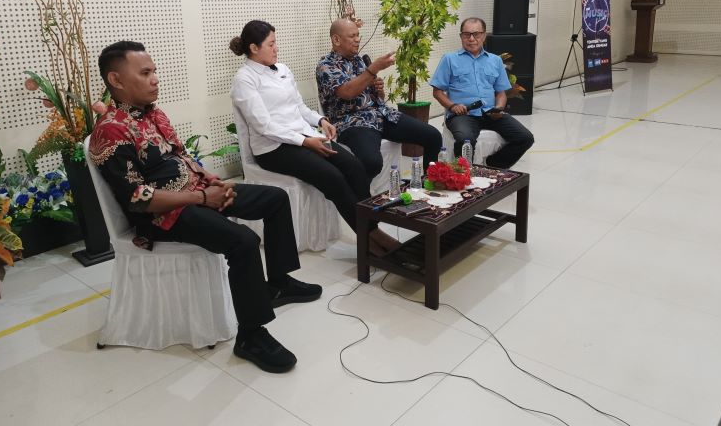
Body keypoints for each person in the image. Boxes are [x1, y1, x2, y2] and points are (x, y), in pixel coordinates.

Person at [90, 40, 322, 374]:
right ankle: (251, 336)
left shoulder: (154, 114)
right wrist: (202, 198)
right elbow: (137, 198)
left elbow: (181, 156)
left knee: (274, 198)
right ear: (116, 80)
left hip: (196, 195)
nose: (155, 78)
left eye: (154, 70)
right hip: (163, 216)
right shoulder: (111, 131)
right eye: (145, 72)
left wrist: (211, 181)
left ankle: (279, 284)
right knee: (242, 241)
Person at [229, 20, 399, 256]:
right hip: (273, 148)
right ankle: (370, 238)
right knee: (332, 177)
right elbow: (264, 126)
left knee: (354, 166)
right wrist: (304, 141)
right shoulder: (244, 80)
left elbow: (298, 107)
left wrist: (320, 121)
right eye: (271, 44)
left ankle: (372, 230)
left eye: (275, 42)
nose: (276, 48)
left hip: (303, 136)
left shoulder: (282, 69)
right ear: (254, 48)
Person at [316, 18, 442, 181]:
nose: (357, 40)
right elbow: (347, 92)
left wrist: (379, 91)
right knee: (371, 162)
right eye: (352, 36)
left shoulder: (359, 60)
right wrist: (373, 69)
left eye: (358, 35)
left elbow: (376, 97)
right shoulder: (326, 66)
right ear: (336, 39)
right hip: (352, 121)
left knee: (433, 136)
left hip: (382, 114)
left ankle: (429, 184)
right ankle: (361, 201)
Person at [430, 17, 534, 167]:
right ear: (461, 37)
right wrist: (453, 106)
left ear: (484, 36)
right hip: (463, 114)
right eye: (467, 34)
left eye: (476, 34)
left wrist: (498, 108)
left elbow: (501, 93)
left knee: (525, 138)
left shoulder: (495, 61)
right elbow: (437, 91)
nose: (471, 39)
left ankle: (493, 166)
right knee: (465, 141)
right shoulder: (449, 59)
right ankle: (464, 177)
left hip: (490, 113)